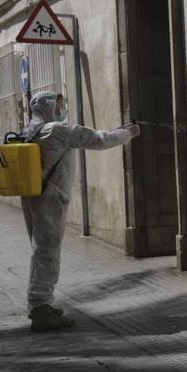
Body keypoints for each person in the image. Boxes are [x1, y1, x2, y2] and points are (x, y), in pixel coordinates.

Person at [20, 91, 140, 332]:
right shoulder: (55, 130)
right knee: (47, 252)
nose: (61, 110)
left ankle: (41, 302)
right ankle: (41, 308)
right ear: (49, 107)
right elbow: (100, 139)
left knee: (41, 250)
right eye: (59, 106)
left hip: (33, 196)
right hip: (50, 198)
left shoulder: (29, 131)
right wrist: (129, 132)